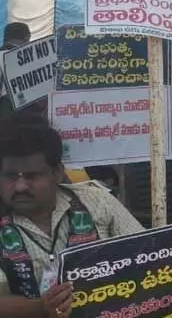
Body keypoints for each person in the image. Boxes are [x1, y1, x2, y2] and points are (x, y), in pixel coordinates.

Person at [0, 126, 144, 312]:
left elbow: (145, 256)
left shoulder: (95, 201)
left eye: (32, 176)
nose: (20, 187)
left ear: (57, 172)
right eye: (10, 176)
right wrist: (41, 307)